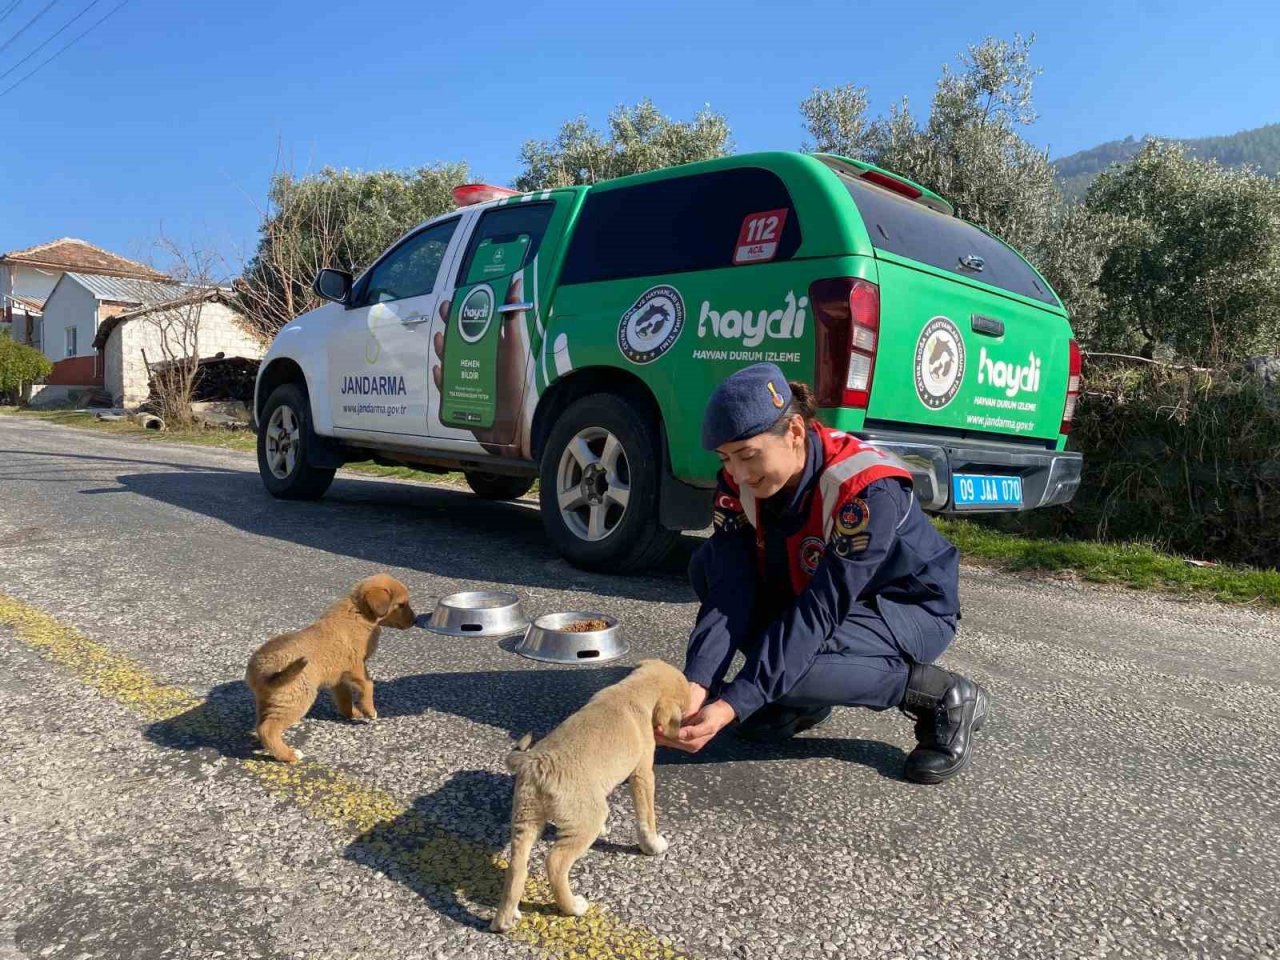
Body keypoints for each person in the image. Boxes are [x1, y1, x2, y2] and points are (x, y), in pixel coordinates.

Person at [657, 363, 988, 784]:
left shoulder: (864, 489)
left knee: (795, 665)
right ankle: (798, 697)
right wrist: (698, 682)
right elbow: (729, 588)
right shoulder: (740, 481)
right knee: (708, 567)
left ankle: (942, 694)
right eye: (726, 458)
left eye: (747, 455)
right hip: (824, 598)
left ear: (794, 431)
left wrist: (734, 703)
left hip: (908, 608)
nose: (737, 474)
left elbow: (818, 613)